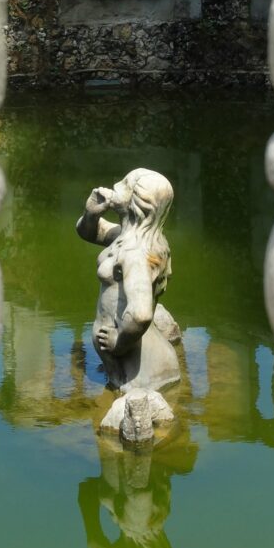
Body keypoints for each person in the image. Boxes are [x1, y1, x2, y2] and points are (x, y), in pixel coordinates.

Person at [76, 168, 181, 393]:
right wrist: (91, 213)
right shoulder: (128, 236)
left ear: (140, 202)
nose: (116, 186)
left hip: (141, 370)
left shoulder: (135, 252)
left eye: (125, 184)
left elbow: (141, 314)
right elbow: (89, 232)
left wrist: (118, 342)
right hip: (131, 364)